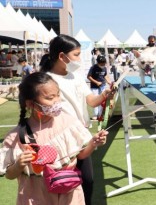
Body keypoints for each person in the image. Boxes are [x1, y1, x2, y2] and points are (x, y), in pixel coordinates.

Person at [0, 72, 108, 205]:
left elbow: (80, 155)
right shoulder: (16, 136)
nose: (56, 101)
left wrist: (93, 143)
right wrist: (18, 165)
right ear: (31, 104)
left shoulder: (68, 122)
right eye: (50, 98)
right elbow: (9, 175)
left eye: (58, 95)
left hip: (70, 195)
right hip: (35, 198)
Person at [40, 34, 113, 205]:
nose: (80, 58)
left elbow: (91, 101)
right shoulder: (46, 79)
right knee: (61, 183)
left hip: (82, 136)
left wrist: (104, 94)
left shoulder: (76, 76)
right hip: (59, 138)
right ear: (62, 56)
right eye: (76, 54)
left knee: (87, 181)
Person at [87, 55, 112, 119]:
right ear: (98, 62)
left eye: (104, 63)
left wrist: (109, 82)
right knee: (95, 99)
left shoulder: (104, 68)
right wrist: (96, 82)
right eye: (102, 63)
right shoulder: (93, 67)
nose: (103, 64)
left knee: (102, 100)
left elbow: (105, 76)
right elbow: (89, 77)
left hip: (102, 86)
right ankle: (95, 114)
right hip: (94, 87)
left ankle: (100, 114)